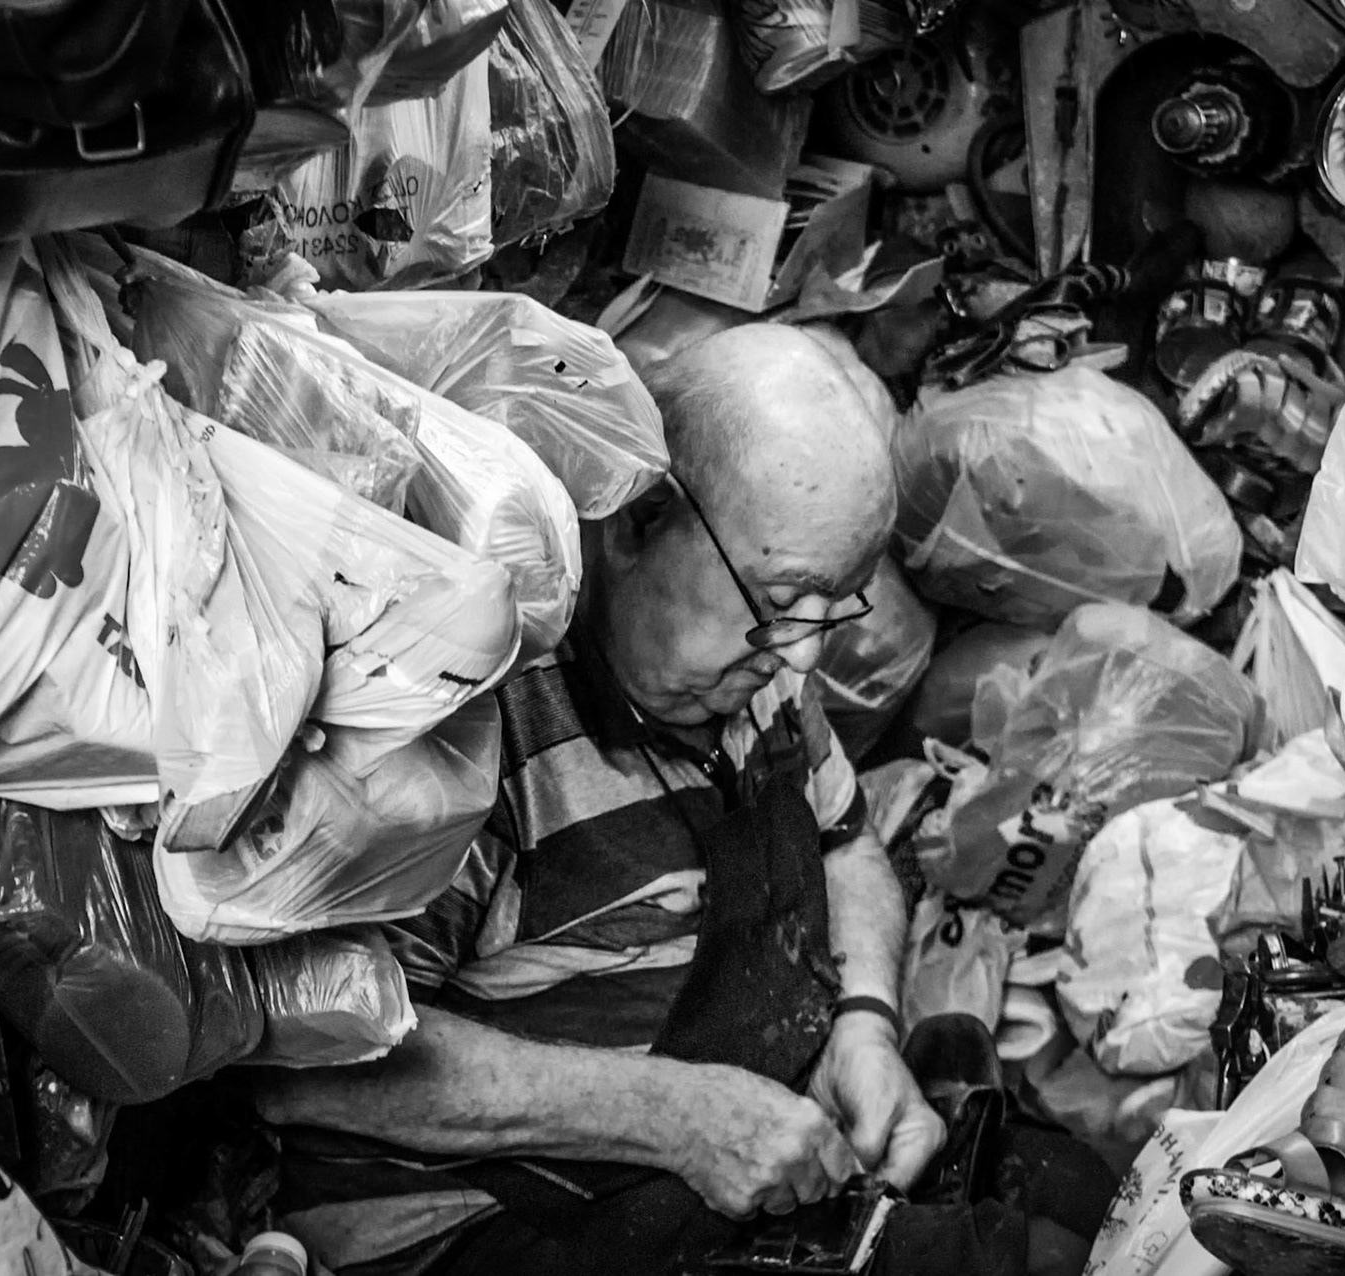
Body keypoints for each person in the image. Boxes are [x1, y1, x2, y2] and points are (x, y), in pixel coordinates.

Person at [257, 325, 992, 1276]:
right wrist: (675, 1119)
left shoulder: (752, 666)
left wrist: (865, 1020)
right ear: (638, 522)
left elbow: (846, 841)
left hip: (717, 1191)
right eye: (783, 598)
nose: (807, 654)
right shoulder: (471, 732)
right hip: (479, 1238)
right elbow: (306, 1065)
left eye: (836, 603)